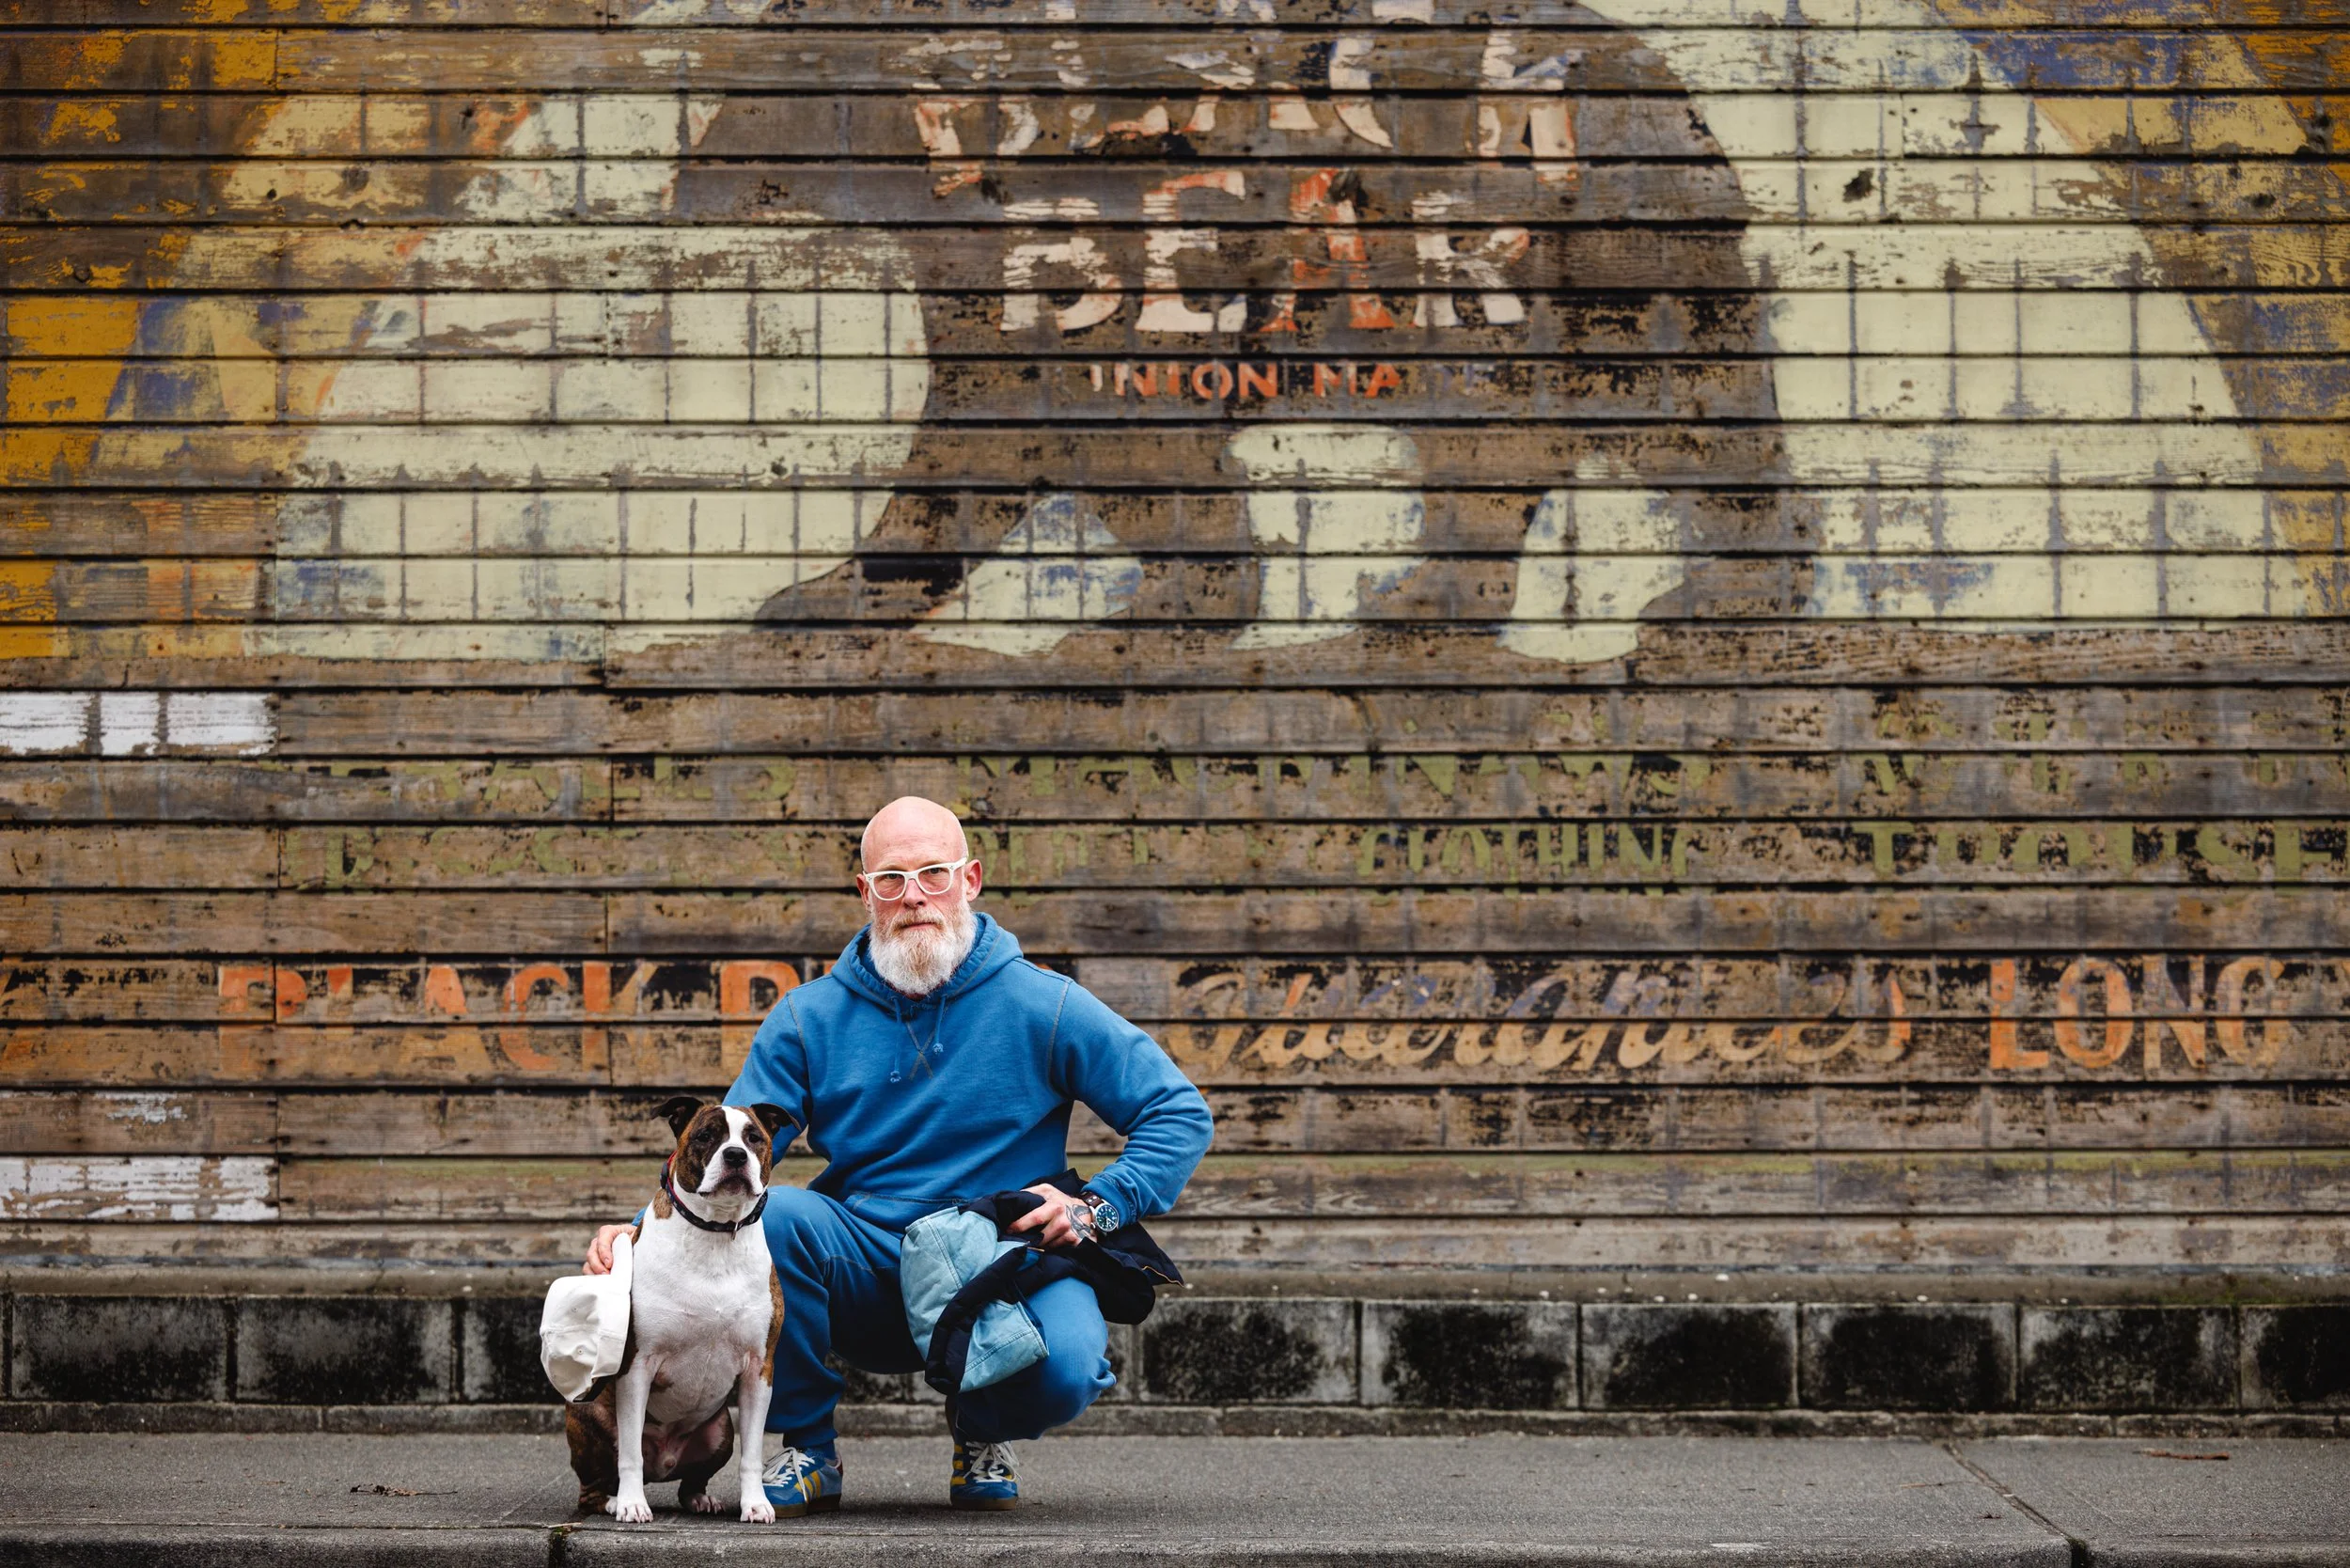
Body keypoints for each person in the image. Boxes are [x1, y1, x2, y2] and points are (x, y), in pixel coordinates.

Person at [582, 795, 1214, 1514]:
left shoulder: (1048, 1004)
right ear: (865, 894)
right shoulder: (807, 1017)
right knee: (778, 1215)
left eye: (934, 874)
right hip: (868, 1262)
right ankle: (810, 1449)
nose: (913, 897)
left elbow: (1178, 1112)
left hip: (1006, 1256)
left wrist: (1100, 1205)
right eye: (891, 880)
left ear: (971, 879)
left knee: (1071, 1369)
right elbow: (724, 1158)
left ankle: (980, 1432)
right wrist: (635, 1238)